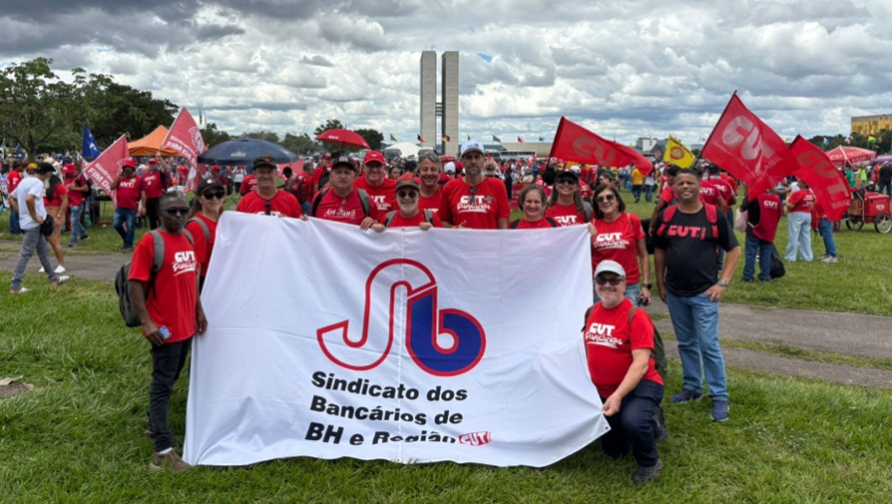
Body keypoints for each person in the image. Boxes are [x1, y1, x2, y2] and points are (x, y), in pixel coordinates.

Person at [653, 168, 740, 421]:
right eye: (680, 183)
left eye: (690, 182)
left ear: (699, 186)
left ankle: (719, 395)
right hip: (675, 292)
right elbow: (659, 250)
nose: (685, 187)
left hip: (704, 294)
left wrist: (722, 282)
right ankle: (692, 386)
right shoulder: (668, 215)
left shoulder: (713, 215)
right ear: (674, 188)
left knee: (708, 344)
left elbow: (734, 249)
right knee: (686, 343)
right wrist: (660, 283)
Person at [128, 191, 207, 471]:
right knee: (162, 385)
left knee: (171, 376)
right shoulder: (151, 241)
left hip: (186, 325)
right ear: (159, 214)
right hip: (164, 328)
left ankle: (154, 424)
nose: (178, 215)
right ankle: (162, 451)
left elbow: (192, 277)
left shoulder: (187, 237)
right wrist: (147, 322)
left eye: (182, 210)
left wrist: (198, 310)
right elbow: (135, 282)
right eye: (171, 211)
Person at [583, 260, 664, 484]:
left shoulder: (635, 316)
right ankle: (648, 423)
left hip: (642, 384)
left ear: (624, 283)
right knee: (614, 451)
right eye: (602, 279)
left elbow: (641, 363)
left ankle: (650, 463)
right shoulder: (591, 312)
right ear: (595, 283)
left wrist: (618, 395)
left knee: (634, 421)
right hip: (606, 390)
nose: (607, 285)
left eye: (614, 280)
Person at [9, 163, 70, 293]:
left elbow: (11, 198)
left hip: (28, 223)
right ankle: (15, 286)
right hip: (33, 224)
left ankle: (54, 279)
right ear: (47, 174)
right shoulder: (38, 184)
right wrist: (35, 216)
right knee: (25, 254)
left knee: (43, 251)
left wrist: (22, 213)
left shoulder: (25, 181)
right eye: (50, 174)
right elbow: (29, 199)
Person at [589, 184, 651, 306]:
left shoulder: (631, 220)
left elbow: (644, 255)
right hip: (601, 285)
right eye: (600, 199)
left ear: (617, 200)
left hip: (628, 284)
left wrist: (646, 285)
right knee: (603, 322)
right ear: (597, 204)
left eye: (609, 197)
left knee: (628, 321)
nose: (605, 201)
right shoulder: (592, 225)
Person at [439, 141, 510, 229]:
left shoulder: (498, 186)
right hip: (460, 242)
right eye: (469, 157)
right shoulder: (450, 187)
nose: (473, 161)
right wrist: (453, 228)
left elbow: (503, 223)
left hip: (489, 242)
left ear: (483, 161)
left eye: (477, 157)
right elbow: (442, 222)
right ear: (462, 162)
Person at [311, 156, 378, 229]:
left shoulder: (366, 200)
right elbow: (311, 226)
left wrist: (373, 223)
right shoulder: (319, 197)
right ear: (331, 177)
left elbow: (378, 226)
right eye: (338, 172)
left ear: (354, 177)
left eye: (347, 173)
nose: (343, 176)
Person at [186, 178, 225, 292]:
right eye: (208, 195)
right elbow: (195, 269)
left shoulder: (225, 220)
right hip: (207, 284)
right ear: (199, 199)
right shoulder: (196, 227)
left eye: (219, 194)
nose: (214, 199)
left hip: (223, 281)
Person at [236, 157, 303, 218]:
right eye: (261, 172)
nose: (265, 176)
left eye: (269, 172)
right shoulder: (245, 202)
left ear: (276, 174)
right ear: (255, 174)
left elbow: (299, 226)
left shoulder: (290, 200)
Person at [740, 188, 782, 282]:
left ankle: (748, 276)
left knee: (751, 254)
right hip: (769, 230)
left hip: (754, 228)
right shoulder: (776, 199)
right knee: (766, 254)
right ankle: (765, 276)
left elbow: (742, 208)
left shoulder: (754, 196)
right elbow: (779, 214)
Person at [372, 178, 443, 231]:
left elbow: (442, 244)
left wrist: (433, 232)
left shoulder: (432, 218)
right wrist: (374, 232)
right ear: (396, 197)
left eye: (411, 194)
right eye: (402, 194)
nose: (407, 198)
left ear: (419, 197)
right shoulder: (387, 219)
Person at [111, 159, 146, 252]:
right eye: (125, 167)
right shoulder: (120, 178)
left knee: (130, 227)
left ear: (133, 168)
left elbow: (143, 193)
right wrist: (117, 179)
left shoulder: (139, 179)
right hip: (120, 207)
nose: (127, 169)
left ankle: (128, 244)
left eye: (128, 167)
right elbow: (112, 187)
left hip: (131, 208)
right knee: (116, 224)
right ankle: (126, 239)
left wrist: (143, 206)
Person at [41, 169, 68, 273]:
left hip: (55, 213)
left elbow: (65, 200)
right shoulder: (43, 186)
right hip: (44, 213)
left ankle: (61, 264)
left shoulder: (59, 186)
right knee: (43, 241)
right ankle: (46, 263)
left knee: (54, 240)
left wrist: (59, 214)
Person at [784, 179, 814, 262]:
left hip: (796, 214)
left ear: (804, 184)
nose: (798, 182)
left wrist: (785, 203)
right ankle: (807, 256)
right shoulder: (810, 193)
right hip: (807, 214)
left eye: (800, 181)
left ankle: (790, 256)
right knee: (806, 236)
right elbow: (812, 202)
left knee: (793, 235)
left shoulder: (798, 193)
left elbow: (791, 205)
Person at [64, 163, 90, 247]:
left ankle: (73, 241)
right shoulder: (66, 177)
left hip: (78, 202)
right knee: (74, 221)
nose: (66, 173)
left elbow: (85, 188)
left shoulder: (80, 178)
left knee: (73, 222)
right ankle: (84, 234)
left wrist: (73, 188)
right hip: (69, 201)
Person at [143, 158, 171, 230]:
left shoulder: (159, 173)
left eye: (153, 163)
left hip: (158, 198)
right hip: (149, 199)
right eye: (150, 163)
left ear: (156, 164)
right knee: (151, 218)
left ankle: (163, 231)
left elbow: (165, 168)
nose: (152, 165)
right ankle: (154, 232)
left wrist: (161, 158)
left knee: (160, 217)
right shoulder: (146, 175)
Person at [814, 199, 838, 264]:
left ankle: (833, 256)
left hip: (825, 217)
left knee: (828, 236)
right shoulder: (822, 196)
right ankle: (828, 253)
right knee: (825, 236)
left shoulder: (827, 196)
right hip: (822, 217)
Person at [7, 160, 24, 235]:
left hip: (11, 195)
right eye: (21, 166)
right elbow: (15, 186)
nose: (22, 167)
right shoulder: (15, 174)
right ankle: (16, 230)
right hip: (15, 196)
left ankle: (13, 229)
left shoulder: (11, 173)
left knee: (12, 213)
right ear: (17, 167)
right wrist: (17, 196)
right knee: (16, 213)